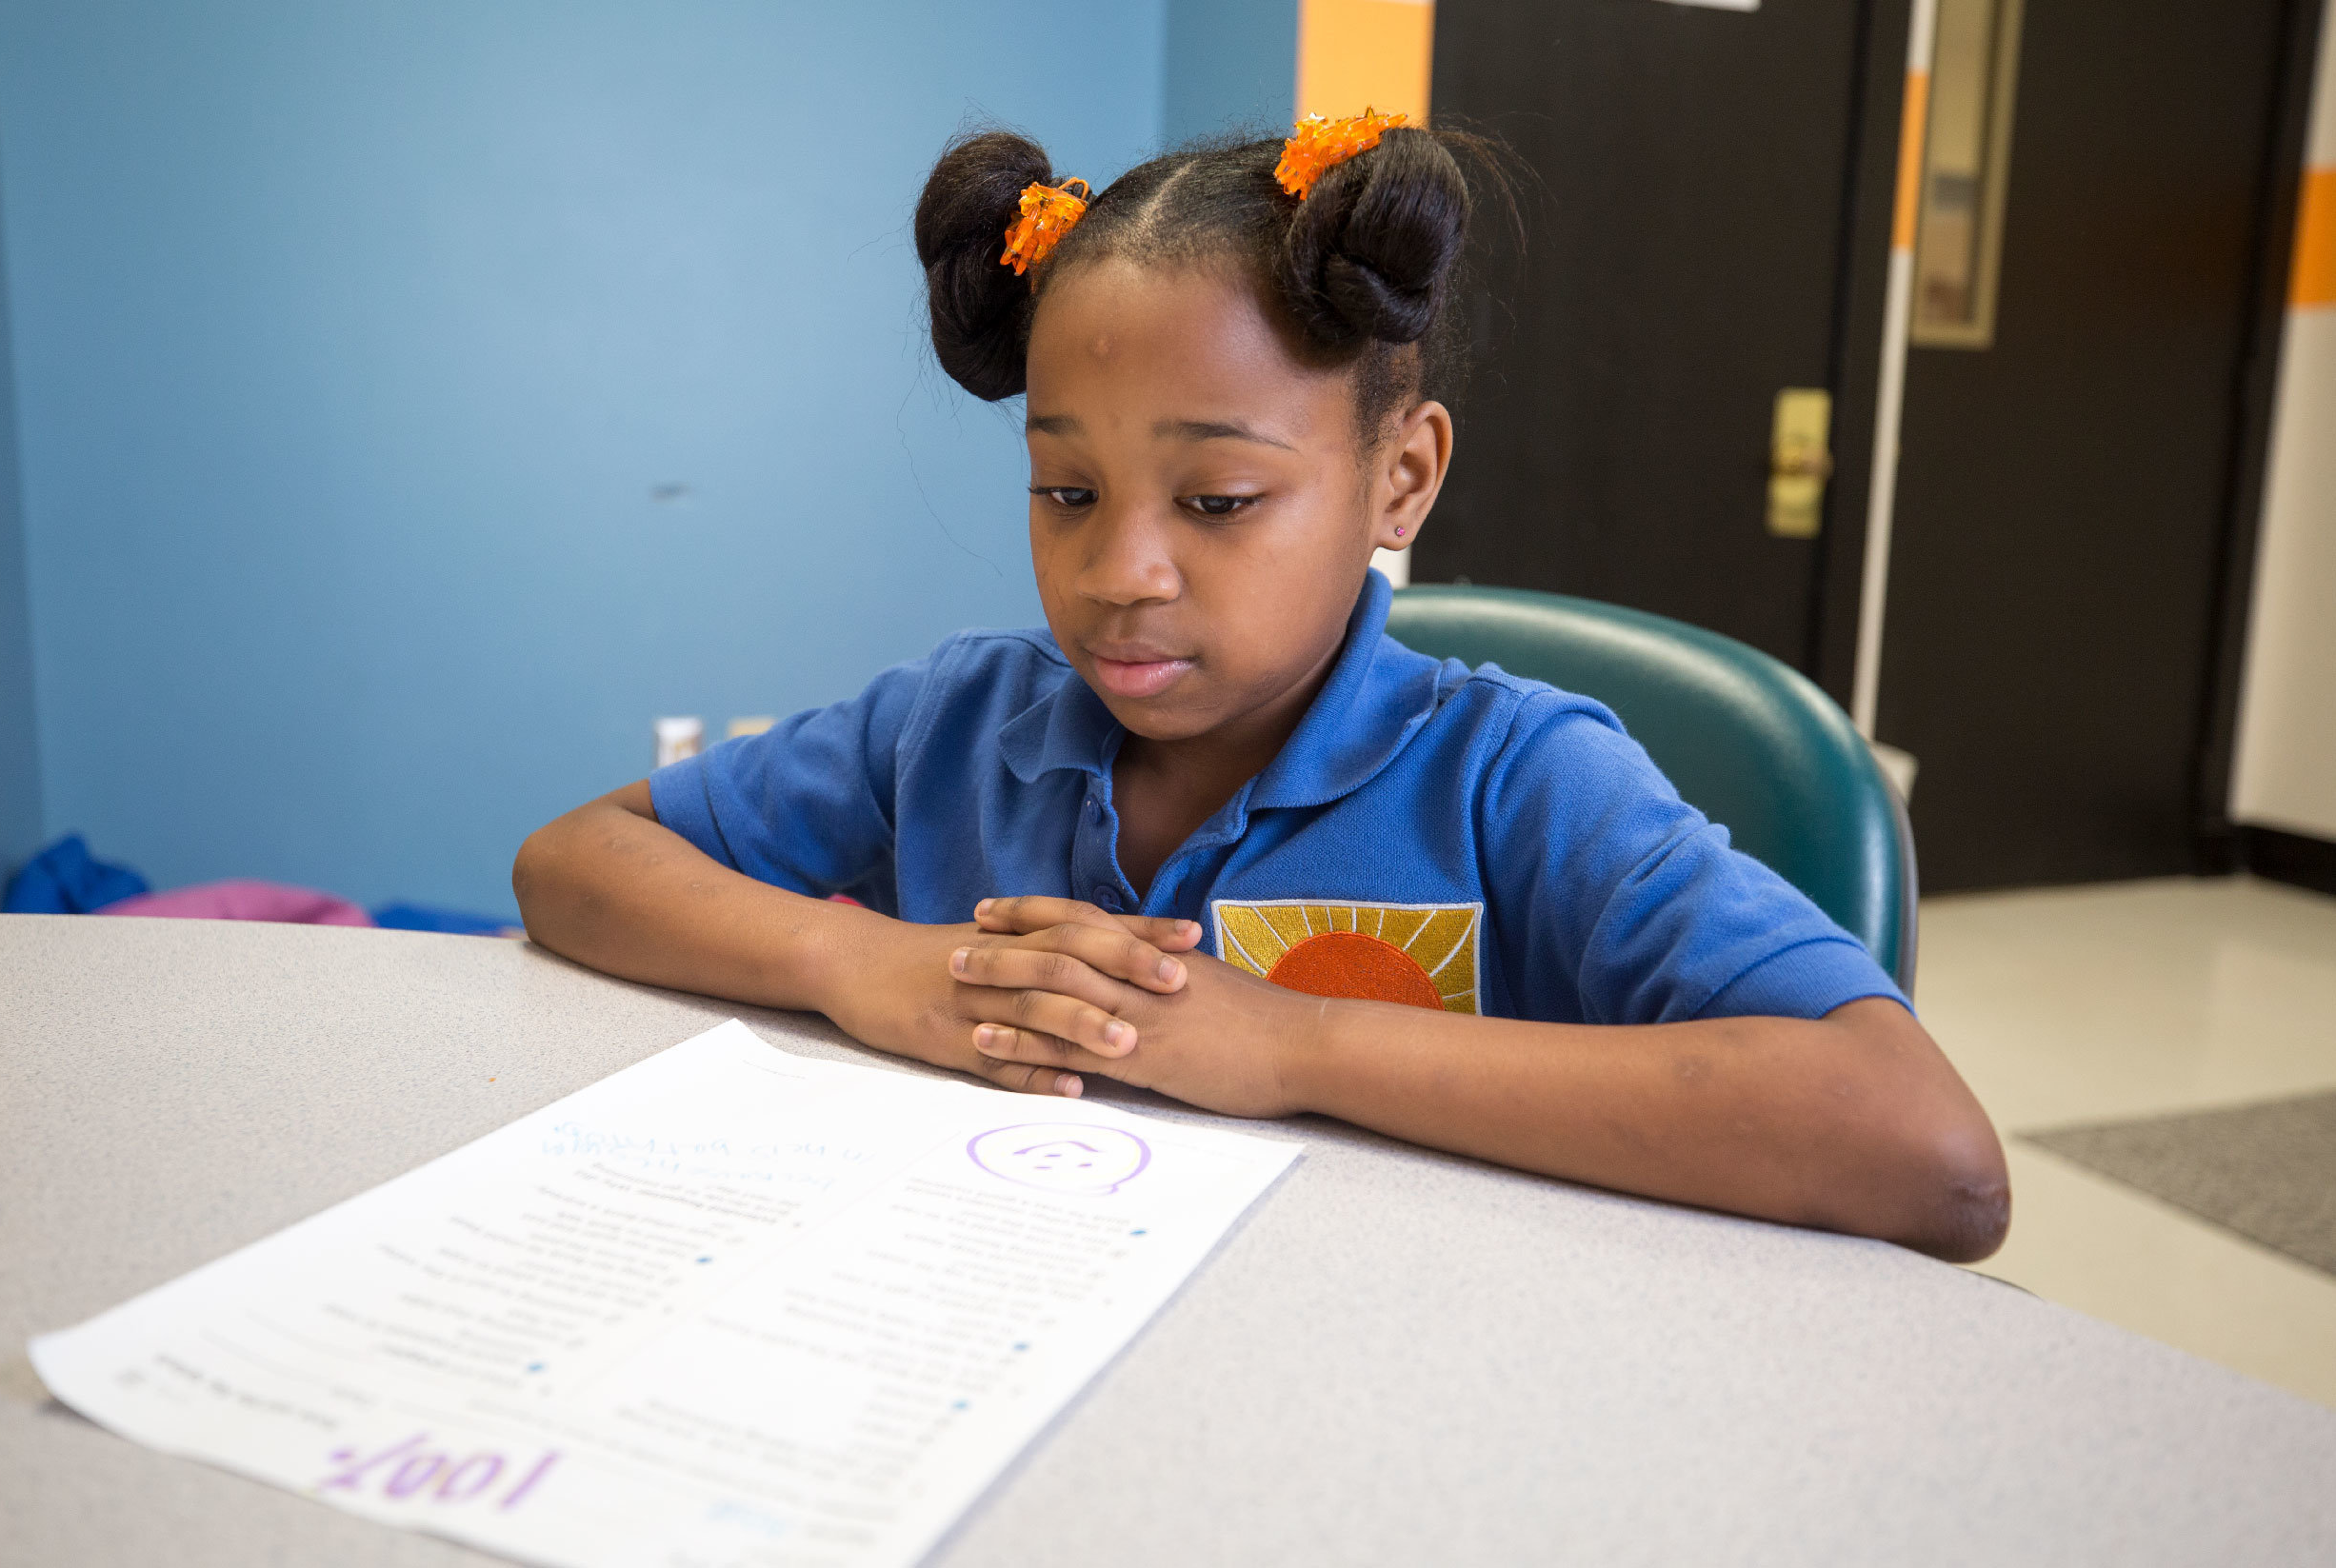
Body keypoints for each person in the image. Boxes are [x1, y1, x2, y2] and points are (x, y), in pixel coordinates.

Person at [514, 117, 2009, 1262]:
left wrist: (1293, 1042)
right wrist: (869, 966)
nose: (1123, 572)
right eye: (1066, 490)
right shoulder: (958, 727)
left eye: (1219, 500)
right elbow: (573, 864)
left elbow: (1929, 1153)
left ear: (1399, 477)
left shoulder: (1514, 779)